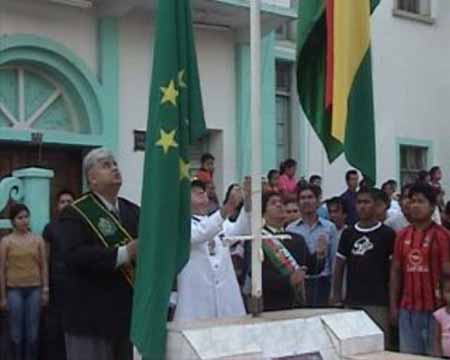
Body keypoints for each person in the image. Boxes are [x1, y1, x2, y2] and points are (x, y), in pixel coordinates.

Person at [60, 148, 139, 360]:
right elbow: (75, 256)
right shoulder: (75, 213)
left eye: (115, 164)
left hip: (127, 317)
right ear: (92, 179)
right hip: (90, 318)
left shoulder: (133, 211)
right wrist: (124, 253)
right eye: (106, 165)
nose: (114, 168)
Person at [174, 178, 252, 321]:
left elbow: (241, 230)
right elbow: (199, 234)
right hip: (196, 305)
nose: (202, 192)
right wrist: (228, 207)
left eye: (203, 190)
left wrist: (248, 200)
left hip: (225, 302)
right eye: (195, 191)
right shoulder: (177, 225)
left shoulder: (217, 221)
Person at [390, 184, 450, 356]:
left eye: (421, 201)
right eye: (412, 201)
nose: (415, 205)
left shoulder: (443, 236)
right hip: (408, 310)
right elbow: (396, 272)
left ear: (432, 206)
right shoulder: (402, 236)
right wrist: (394, 307)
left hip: (437, 311)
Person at [332, 188, 396, 348]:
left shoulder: (387, 234)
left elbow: (393, 272)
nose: (362, 206)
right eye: (359, 202)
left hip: (378, 301)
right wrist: (336, 295)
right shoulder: (348, 233)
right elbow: (339, 266)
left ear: (376, 205)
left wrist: (392, 303)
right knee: (353, 346)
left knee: (379, 347)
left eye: (367, 202)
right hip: (353, 300)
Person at [260, 192, 326, 311]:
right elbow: (258, 276)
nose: (279, 205)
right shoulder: (258, 240)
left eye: (281, 203)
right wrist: (288, 280)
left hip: (297, 304)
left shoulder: (296, 238)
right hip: (271, 305)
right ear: (263, 212)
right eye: (273, 203)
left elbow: (310, 268)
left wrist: (319, 255)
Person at [0, 204, 49, 360]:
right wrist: (2, 296)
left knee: (33, 334)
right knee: (16, 334)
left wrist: (45, 289)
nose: (24, 221)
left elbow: (44, 266)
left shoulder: (37, 240)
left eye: (26, 217)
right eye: (20, 218)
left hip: (34, 289)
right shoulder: (6, 242)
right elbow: (1, 269)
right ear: (13, 221)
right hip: (14, 290)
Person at [287, 185, 338, 306]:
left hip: (322, 282)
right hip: (299, 283)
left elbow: (334, 260)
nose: (306, 201)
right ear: (298, 202)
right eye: (302, 198)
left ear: (318, 201)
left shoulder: (329, 228)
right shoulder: (291, 229)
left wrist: (334, 291)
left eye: (310, 197)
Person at [42, 190, 75, 360]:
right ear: (57, 206)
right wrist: (45, 286)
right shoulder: (50, 228)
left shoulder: (82, 227)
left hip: (77, 286)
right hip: (56, 284)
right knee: (55, 327)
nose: (66, 204)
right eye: (63, 201)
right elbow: (45, 258)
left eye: (70, 201)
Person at [433, 272, 450, 358]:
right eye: (448, 291)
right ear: (442, 294)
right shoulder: (439, 315)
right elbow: (436, 339)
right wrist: (438, 356)